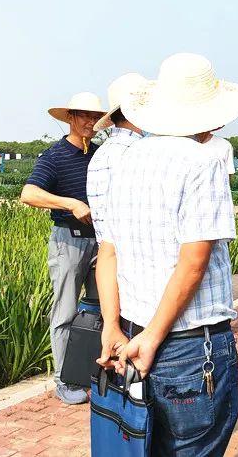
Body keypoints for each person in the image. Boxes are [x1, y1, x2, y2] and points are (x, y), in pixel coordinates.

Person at [101, 53, 238, 456]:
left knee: (145, 445)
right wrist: (154, 338)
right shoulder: (203, 162)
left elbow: (108, 251)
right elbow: (193, 262)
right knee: (192, 446)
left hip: (132, 332)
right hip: (188, 344)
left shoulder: (125, 161)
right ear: (213, 117)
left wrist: (111, 325)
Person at [20, 91, 105, 405]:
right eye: (84, 116)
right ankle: (64, 380)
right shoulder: (54, 156)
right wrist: (69, 203)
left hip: (102, 242)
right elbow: (29, 194)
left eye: (95, 117)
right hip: (68, 241)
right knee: (66, 311)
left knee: (101, 309)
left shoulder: (100, 155)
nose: (90, 122)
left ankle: (93, 372)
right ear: (70, 117)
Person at [86, 72, 147, 366]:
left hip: (110, 272)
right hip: (141, 277)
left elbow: (107, 241)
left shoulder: (101, 155)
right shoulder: (142, 154)